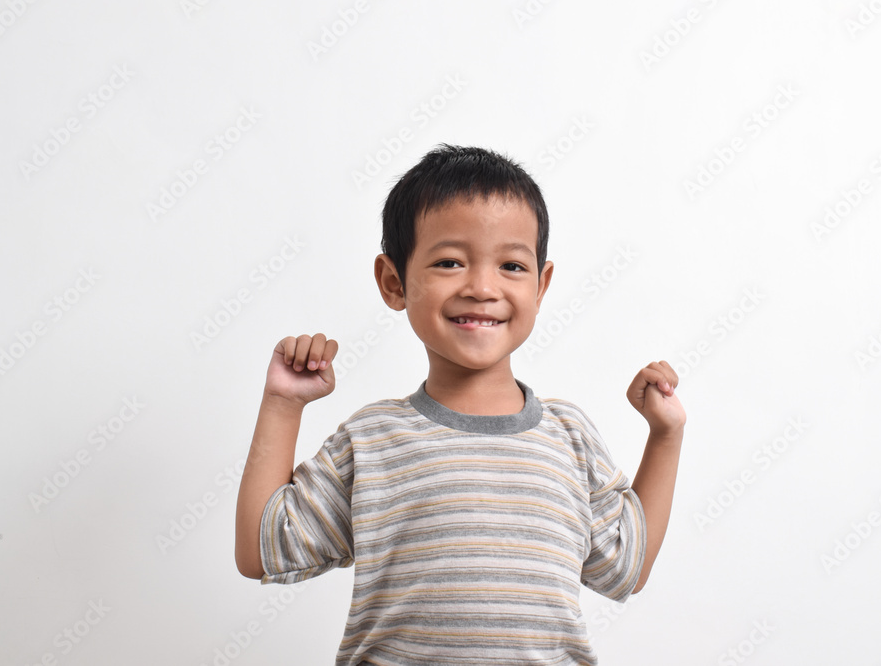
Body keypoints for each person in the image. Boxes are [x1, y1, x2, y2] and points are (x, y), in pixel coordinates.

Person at [235, 144, 686, 665]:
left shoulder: (570, 436)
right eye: (450, 261)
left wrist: (666, 435)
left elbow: (626, 568)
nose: (482, 287)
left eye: (512, 265)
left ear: (541, 285)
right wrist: (282, 404)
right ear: (394, 282)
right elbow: (260, 549)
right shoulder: (373, 439)